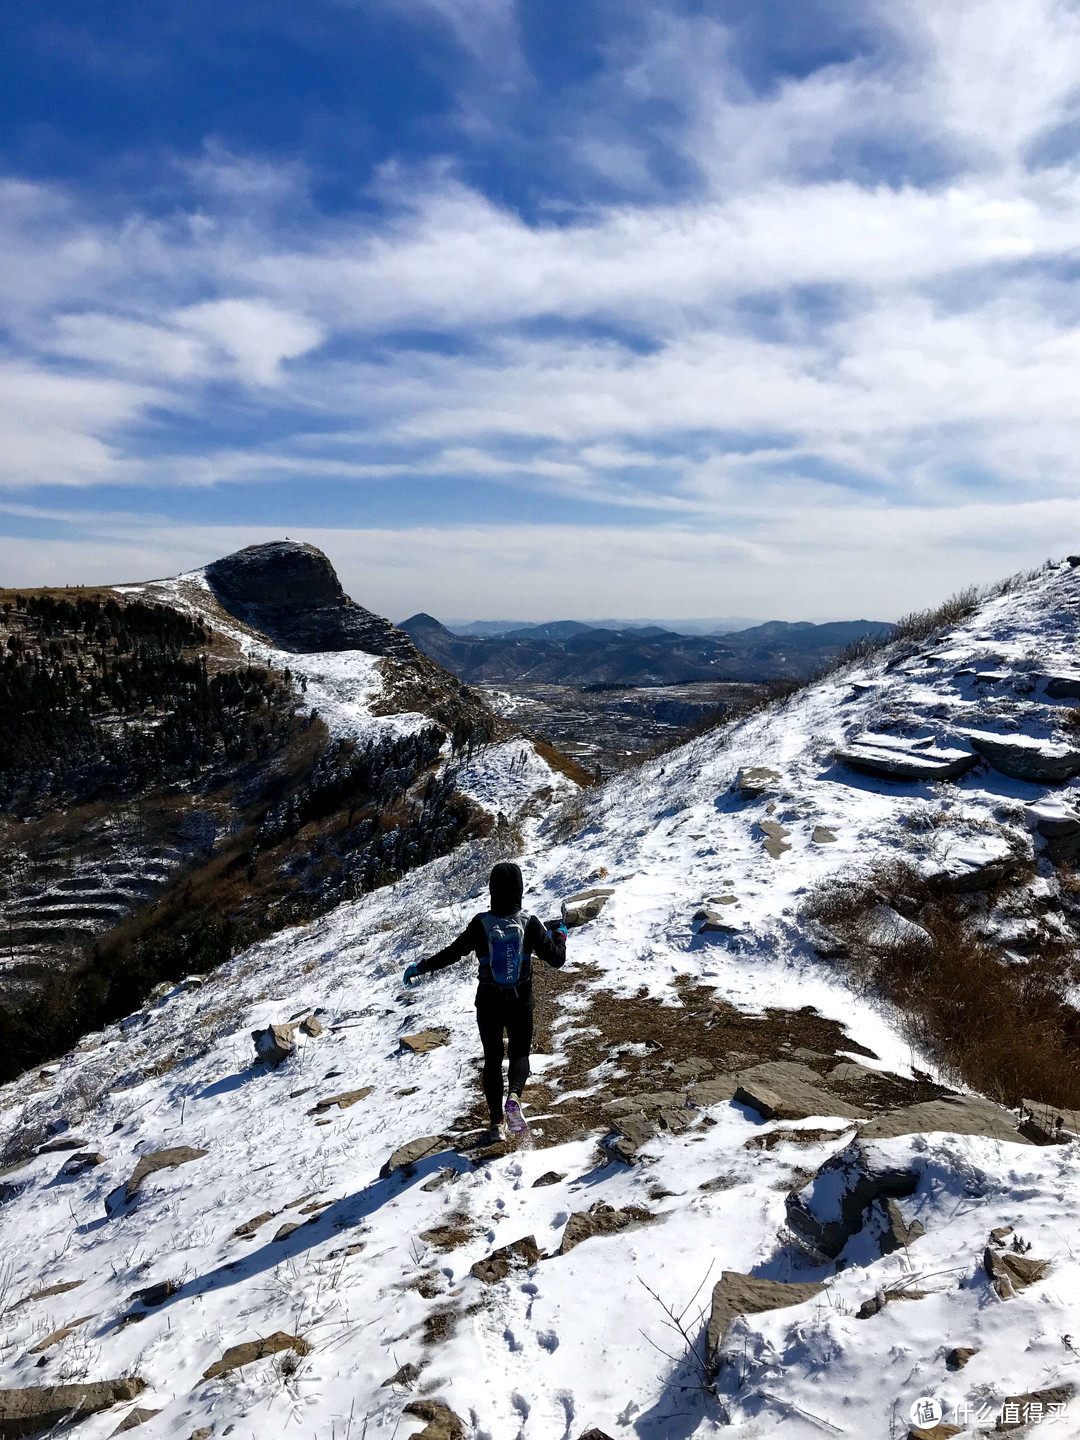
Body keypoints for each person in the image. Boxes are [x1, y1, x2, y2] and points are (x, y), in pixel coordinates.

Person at [403, 862, 567, 1141]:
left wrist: (421, 967)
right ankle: (514, 1096)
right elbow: (557, 960)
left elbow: (453, 952)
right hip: (520, 1002)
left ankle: (496, 1124)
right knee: (519, 1055)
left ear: (492, 890)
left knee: (492, 1060)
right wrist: (560, 934)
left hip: (488, 1002)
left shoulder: (481, 924)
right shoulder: (529, 923)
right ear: (520, 890)